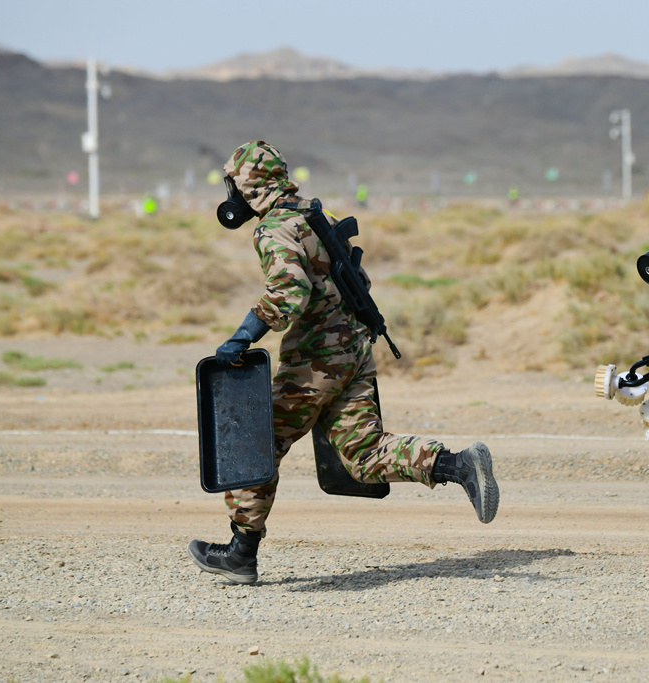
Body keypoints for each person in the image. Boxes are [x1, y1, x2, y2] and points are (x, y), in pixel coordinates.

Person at [188, 140, 499, 585]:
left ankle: (241, 551)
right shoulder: (316, 216)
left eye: (234, 185)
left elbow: (288, 290)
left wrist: (242, 337)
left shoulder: (275, 227)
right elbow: (357, 278)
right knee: (363, 453)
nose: (231, 195)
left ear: (249, 186)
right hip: (353, 350)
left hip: (315, 360)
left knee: (254, 442)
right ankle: (457, 465)